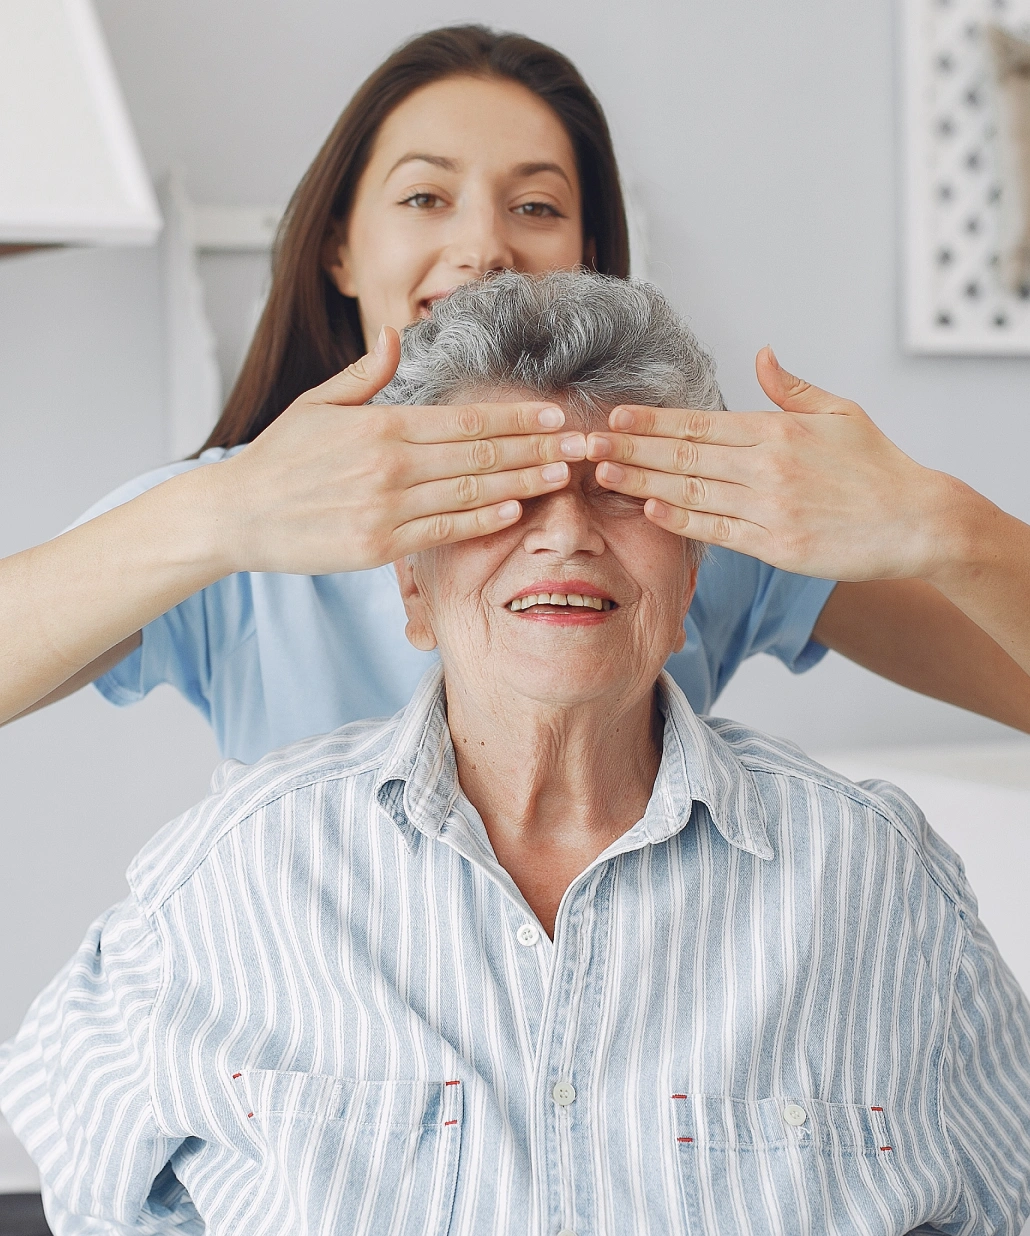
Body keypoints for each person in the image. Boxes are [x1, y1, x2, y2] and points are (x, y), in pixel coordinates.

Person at [3, 272, 1028, 1236]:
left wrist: (946, 524)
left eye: (619, 490)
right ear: (411, 587)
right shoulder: (231, 882)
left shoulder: (882, 888)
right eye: (502, 489)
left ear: (691, 583)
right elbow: (89, 1191)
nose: (565, 535)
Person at [3, 26, 1030, 760]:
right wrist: (221, 515)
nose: (484, 242)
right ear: (340, 250)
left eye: (535, 204)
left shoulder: (705, 511)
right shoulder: (231, 528)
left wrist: (943, 524)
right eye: (424, 196)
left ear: (587, 255)